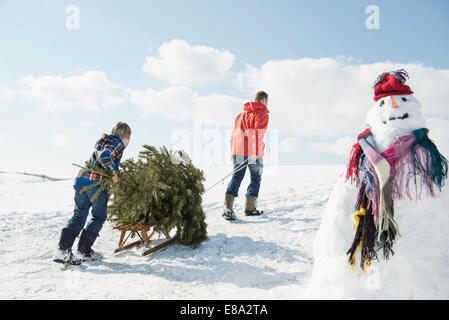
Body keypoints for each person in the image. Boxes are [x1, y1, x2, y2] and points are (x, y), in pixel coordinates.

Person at [53, 122, 131, 265]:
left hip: (81, 180)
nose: (128, 143)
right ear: (125, 136)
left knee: (79, 215)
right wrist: (114, 173)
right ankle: (84, 250)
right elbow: (105, 156)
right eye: (129, 140)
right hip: (96, 184)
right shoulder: (117, 143)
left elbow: (101, 154)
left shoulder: (104, 141)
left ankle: (63, 250)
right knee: (99, 216)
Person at [223, 91, 270, 220]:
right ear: (264, 100)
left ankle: (228, 208)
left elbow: (234, 134)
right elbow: (257, 135)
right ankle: (250, 208)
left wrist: (232, 152)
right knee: (256, 177)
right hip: (252, 153)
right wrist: (255, 153)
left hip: (238, 151)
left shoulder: (240, 115)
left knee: (237, 176)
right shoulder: (262, 114)